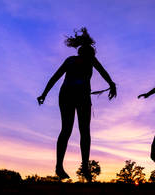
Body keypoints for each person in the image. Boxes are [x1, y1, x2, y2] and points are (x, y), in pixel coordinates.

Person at [37, 28, 117, 179]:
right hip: (72, 96)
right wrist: (44, 94)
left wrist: (44, 94)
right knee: (78, 130)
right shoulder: (78, 60)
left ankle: (69, 167)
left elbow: (55, 78)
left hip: (74, 96)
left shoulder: (76, 60)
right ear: (86, 52)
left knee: (73, 130)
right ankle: (68, 167)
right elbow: (56, 77)